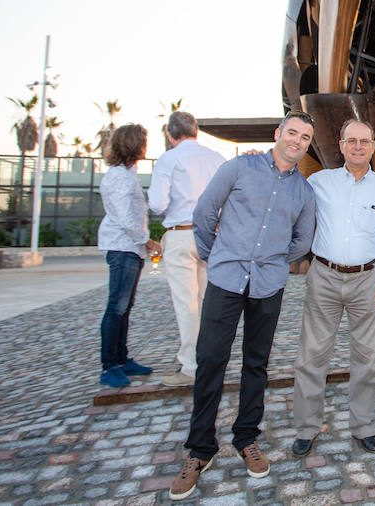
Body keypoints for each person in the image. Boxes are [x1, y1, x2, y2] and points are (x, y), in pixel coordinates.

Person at [170, 112, 316, 501]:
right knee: (211, 360)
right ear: (278, 134)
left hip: (268, 285)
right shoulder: (238, 167)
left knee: (256, 364)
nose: (297, 141)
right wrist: (214, 255)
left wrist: (274, 260)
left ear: (307, 144)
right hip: (225, 279)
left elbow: (303, 240)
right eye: (292, 133)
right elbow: (204, 213)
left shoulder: (303, 191)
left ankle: (246, 437)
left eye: (304, 137)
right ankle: (200, 450)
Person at [291, 119, 375, 457]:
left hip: (368, 280)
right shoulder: (317, 182)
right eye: (350, 141)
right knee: (312, 357)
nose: (357, 147)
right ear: (340, 145)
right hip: (324, 276)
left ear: (373, 146)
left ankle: (364, 426)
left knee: (366, 359)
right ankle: (307, 428)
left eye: (364, 141)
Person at [147, 111, 225, 387]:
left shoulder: (169, 159)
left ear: (170, 134)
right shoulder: (216, 159)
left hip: (181, 233)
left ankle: (191, 366)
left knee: (186, 302)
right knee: (208, 302)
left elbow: (157, 203)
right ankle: (209, 358)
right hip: (214, 234)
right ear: (196, 131)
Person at [97, 124, 161, 388]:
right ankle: (109, 366)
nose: (147, 146)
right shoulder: (120, 178)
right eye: (144, 142)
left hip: (129, 248)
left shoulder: (126, 173)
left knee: (125, 307)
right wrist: (147, 241)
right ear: (135, 145)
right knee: (117, 307)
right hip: (123, 247)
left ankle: (122, 360)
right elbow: (126, 218)